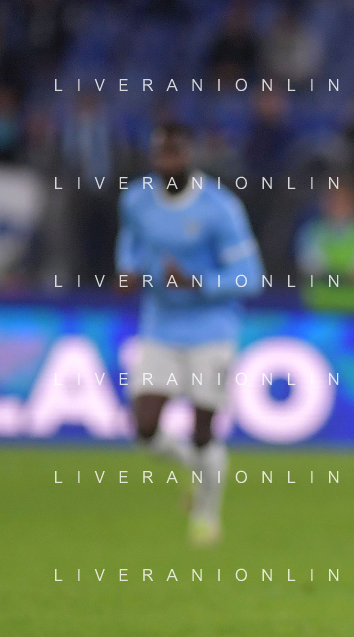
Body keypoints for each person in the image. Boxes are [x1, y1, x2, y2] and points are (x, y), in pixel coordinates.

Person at [116, 122, 264, 546]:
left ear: (189, 154)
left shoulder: (220, 208)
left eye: (175, 152)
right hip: (160, 326)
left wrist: (197, 282)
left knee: (203, 431)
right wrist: (127, 272)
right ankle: (196, 470)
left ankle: (206, 517)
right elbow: (131, 243)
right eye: (161, 153)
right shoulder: (137, 200)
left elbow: (251, 277)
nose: (168, 161)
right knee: (145, 428)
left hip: (211, 329)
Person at [294, 182, 354, 312]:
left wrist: (329, 274)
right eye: (331, 199)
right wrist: (347, 276)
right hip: (317, 309)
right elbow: (309, 270)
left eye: (343, 199)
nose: (336, 204)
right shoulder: (310, 231)